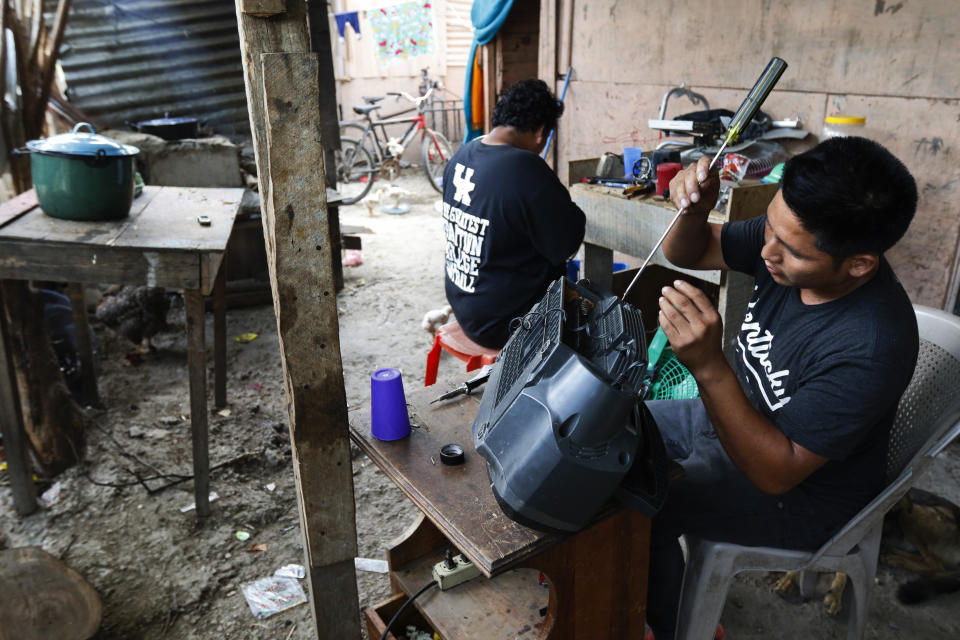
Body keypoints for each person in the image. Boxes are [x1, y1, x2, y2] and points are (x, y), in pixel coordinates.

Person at [645, 136, 920, 640]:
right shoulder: (788, 236)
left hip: (802, 495)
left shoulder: (872, 344)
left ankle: (670, 630)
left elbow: (777, 473)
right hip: (731, 422)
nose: (767, 253)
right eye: (769, 229)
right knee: (620, 431)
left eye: (790, 252)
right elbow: (692, 249)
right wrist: (693, 211)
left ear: (859, 264)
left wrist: (708, 366)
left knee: (645, 503)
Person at [441, 79, 585, 350]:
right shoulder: (525, 168)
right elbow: (566, 246)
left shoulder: (462, 156)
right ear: (541, 132)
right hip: (507, 325)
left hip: (464, 306)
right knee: (596, 319)